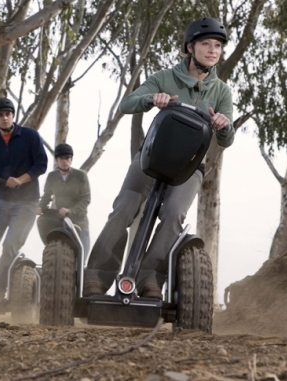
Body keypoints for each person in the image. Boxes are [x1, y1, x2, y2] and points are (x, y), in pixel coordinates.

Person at [83, 17, 235, 299]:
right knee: (124, 208)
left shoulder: (221, 91)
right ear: (191, 47)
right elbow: (127, 103)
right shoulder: (165, 77)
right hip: (151, 159)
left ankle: (149, 279)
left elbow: (228, 139)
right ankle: (97, 277)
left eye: (217, 46)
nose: (213, 50)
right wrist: (152, 99)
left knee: (174, 213)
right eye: (206, 44)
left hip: (190, 167)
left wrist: (225, 126)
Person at [0, 97, 47, 299]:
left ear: (13, 116)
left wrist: (21, 180)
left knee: (10, 246)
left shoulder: (30, 136)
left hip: (26, 203)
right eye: (0, 115)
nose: (5, 118)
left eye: (8, 114)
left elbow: (41, 164)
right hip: (1, 201)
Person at [37, 143, 91, 258]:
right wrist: (40, 206)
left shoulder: (80, 175)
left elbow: (86, 198)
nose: (64, 161)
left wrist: (71, 211)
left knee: (81, 261)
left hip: (79, 222)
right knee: (42, 221)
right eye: (61, 158)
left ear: (71, 160)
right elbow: (47, 196)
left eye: (67, 158)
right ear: (56, 160)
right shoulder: (52, 176)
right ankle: (50, 248)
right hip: (61, 221)